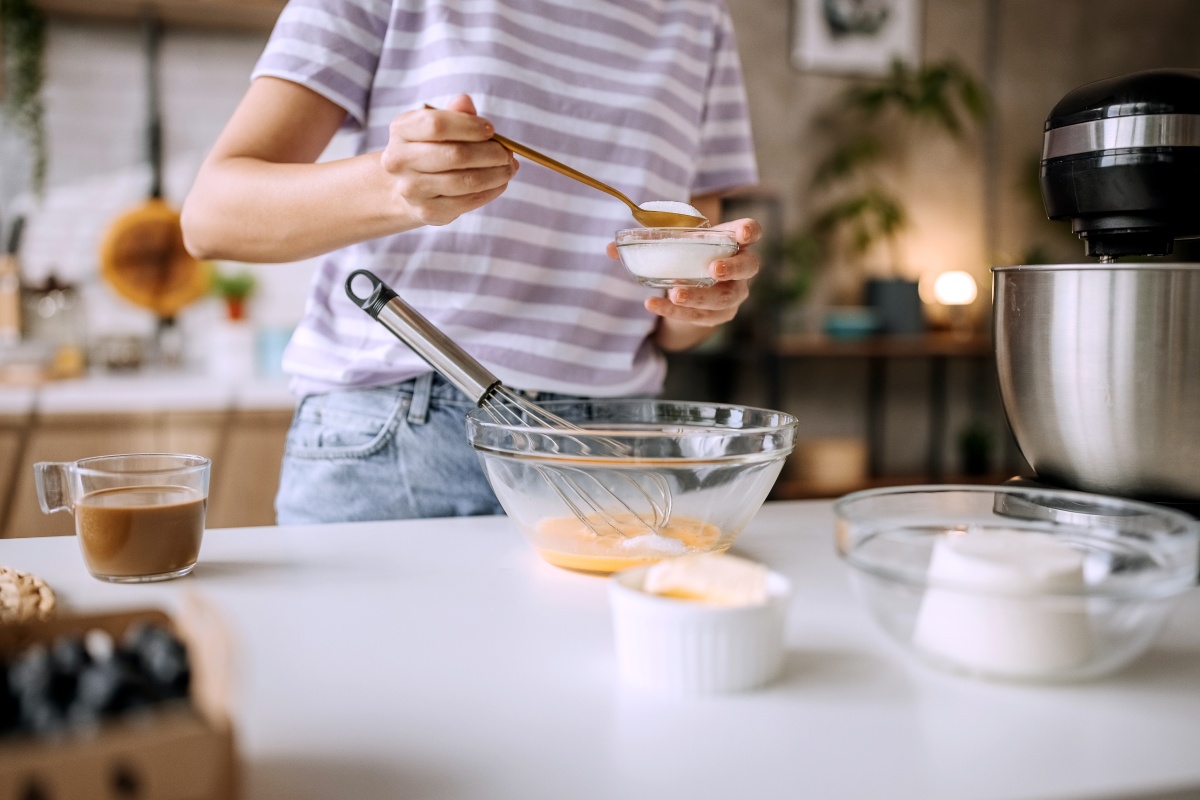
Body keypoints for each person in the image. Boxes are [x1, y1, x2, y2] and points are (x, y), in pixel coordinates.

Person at [181, 0, 763, 524]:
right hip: (397, 439)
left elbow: (675, 316)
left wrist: (704, 297)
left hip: (612, 448)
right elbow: (211, 216)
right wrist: (393, 189)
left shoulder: (700, 18)